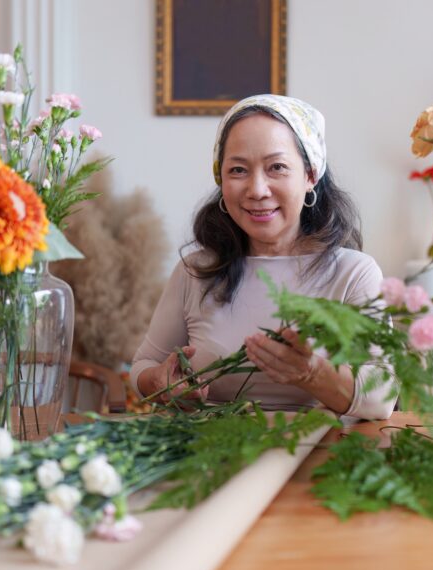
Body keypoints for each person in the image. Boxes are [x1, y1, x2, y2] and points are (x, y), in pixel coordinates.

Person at [130, 94, 395, 419]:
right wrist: (159, 382)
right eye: (238, 170)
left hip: (321, 457)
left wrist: (312, 373)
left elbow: (382, 398)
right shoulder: (195, 271)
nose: (257, 189)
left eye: (277, 167)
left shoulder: (353, 273)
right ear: (221, 179)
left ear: (310, 174)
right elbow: (143, 367)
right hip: (208, 455)